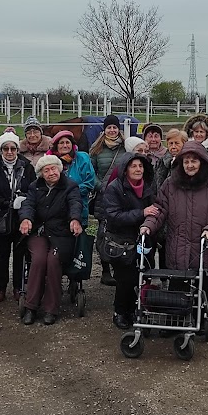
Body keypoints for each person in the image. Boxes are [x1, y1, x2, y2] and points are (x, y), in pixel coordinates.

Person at [140, 141, 208, 309]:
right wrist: (148, 225)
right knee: (177, 292)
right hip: (178, 247)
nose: (190, 165)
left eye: (194, 161)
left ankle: (202, 317)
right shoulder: (170, 183)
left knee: (204, 289)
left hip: (204, 246)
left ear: (202, 162)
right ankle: (177, 318)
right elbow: (160, 208)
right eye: (186, 161)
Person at [18, 155, 83, 326]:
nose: (51, 173)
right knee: (38, 259)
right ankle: (31, 306)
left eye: (53, 168)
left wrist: (75, 219)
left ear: (59, 169)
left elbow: (75, 204)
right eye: (46, 170)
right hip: (40, 232)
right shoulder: (35, 186)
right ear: (41, 174)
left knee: (53, 261)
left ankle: (51, 308)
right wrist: (26, 219)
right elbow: (28, 205)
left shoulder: (70, 186)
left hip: (62, 234)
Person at [102, 153, 158, 329]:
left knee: (141, 276)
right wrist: (141, 213)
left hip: (144, 237)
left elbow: (155, 209)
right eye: (133, 166)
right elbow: (113, 215)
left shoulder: (148, 186)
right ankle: (120, 312)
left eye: (140, 166)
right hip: (121, 241)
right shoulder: (114, 188)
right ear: (125, 169)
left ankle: (134, 309)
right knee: (125, 279)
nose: (138, 169)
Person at [0, 131, 36, 303]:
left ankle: (18, 287)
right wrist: (7, 203)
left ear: (18, 149)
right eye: (6, 149)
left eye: (13, 148)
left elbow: (33, 189)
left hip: (21, 217)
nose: (10, 152)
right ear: (1, 150)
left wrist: (23, 199)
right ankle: (1, 288)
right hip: (1, 216)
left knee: (20, 253)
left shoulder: (27, 166)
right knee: (2, 253)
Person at [86, 117, 126, 287]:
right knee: (103, 232)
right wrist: (100, 186)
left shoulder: (126, 147)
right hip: (103, 196)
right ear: (104, 130)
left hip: (122, 196)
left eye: (114, 127)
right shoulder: (96, 149)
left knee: (121, 231)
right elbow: (91, 171)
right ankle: (105, 270)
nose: (112, 130)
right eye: (109, 127)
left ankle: (119, 267)